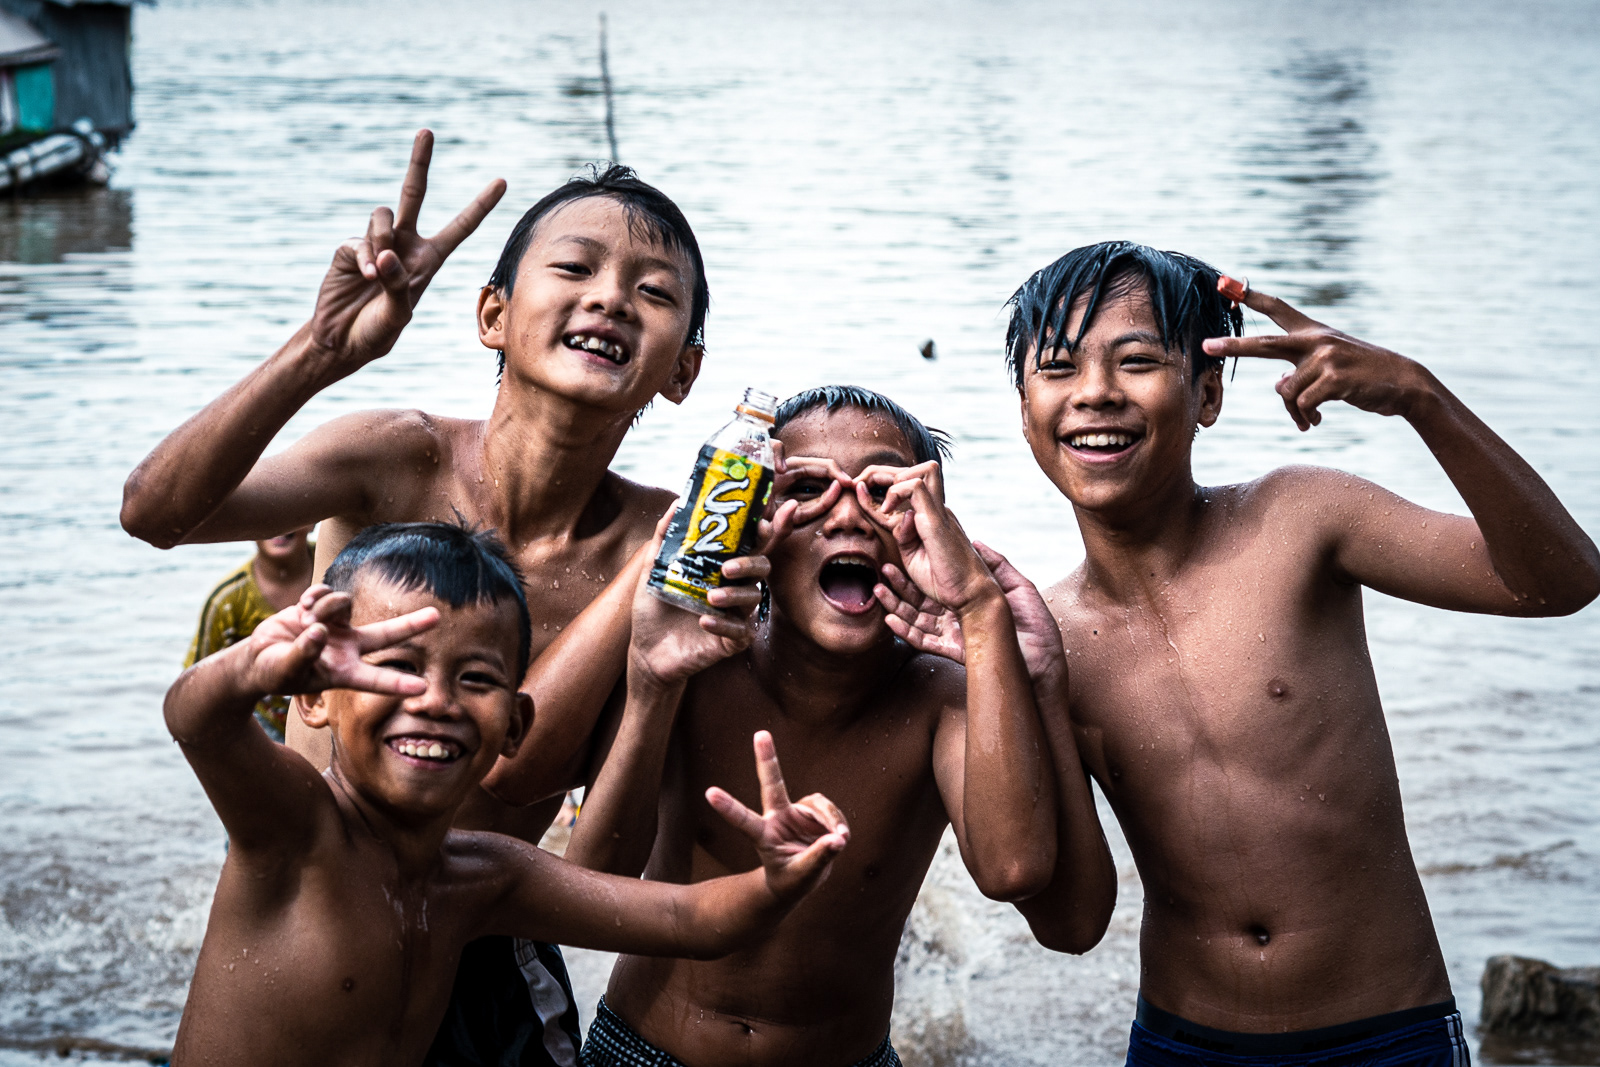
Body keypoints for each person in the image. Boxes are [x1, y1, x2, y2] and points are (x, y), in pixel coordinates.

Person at [118, 130, 773, 1065]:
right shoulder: (398, 456)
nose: (610, 298)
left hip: (495, 936)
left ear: (683, 372)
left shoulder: (674, 547)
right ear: (493, 314)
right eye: (576, 266)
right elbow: (156, 511)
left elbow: (585, 866)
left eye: (654, 292)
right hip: (318, 902)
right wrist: (320, 351)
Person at [889, 241, 1600, 1065]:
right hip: (1183, 1043)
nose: (1094, 394)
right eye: (1057, 367)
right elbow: (1073, 924)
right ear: (1023, 408)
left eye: (1137, 360)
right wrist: (1040, 688)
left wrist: (1419, 395)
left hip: (1385, 1034)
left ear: (1209, 390)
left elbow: (1560, 580)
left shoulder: (1300, 520)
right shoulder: (1042, 635)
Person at [567, 386, 1118, 1067]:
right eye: (808, 488)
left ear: (929, 527)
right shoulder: (693, 664)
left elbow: (1014, 868)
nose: (850, 512)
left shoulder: (940, 696)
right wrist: (651, 684)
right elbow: (588, 886)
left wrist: (981, 610)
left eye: (884, 489)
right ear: (756, 520)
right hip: (647, 1050)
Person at [164, 521, 847, 1067]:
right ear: (314, 697)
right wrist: (250, 667)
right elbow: (194, 720)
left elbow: (688, 922)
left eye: (476, 678)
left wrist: (777, 881)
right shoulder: (296, 829)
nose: (434, 700)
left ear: (515, 726)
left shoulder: (482, 877)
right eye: (397, 668)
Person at [183, 526, 315, 741]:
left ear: (312, 522)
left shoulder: (339, 568)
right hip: (265, 726)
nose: (279, 523)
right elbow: (194, 684)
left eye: (290, 512)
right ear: (249, 523)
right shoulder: (228, 601)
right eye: (268, 517)